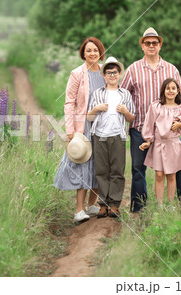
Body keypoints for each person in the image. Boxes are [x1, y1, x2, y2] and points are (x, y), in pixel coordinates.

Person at [120, 27, 181, 213]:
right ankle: (139, 210)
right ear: (142, 46)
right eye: (147, 43)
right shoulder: (133, 69)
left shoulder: (171, 69)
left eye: (155, 43)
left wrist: (179, 123)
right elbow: (122, 96)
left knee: (177, 168)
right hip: (139, 129)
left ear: (160, 45)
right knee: (138, 170)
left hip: (168, 132)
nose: (151, 46)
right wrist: (127, 117)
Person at [54, 37, 105, 223]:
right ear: (83, 53)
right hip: (83, 126)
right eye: (88, 50)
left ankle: (92, 204)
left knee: (101, 163)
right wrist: (70, 130)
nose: (92, 53)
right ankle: (78, 210)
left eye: (95, 50)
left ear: (101, 52)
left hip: (103, 125)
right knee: (83, 164)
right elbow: (69, 103)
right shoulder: (77, 74)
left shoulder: (105, 72)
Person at [87, 57, 135, 218]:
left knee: (117, 170)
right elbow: (88, 117)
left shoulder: (125, 94)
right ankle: (103, 204)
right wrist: (96, 108)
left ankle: (114, 204)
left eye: (115, 72)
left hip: (118, 136)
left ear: (120, 74)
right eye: (108, 73)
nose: (112, 75)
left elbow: (131, 118)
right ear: (104, 75)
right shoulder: (98, 94)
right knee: (101, 170)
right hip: (99, 136)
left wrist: (125, 112)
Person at [139, 78, 181, 205]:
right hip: (159, 144)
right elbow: (149, 125)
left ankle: (170, 205)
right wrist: (148, 141)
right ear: (163, 91)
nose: (170, 91)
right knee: (159, 175)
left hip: (174, 145)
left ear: (177, 91)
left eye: (173, 88)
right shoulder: (156, 107)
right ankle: (159, 206)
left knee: (171, 175)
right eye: (168, 88)